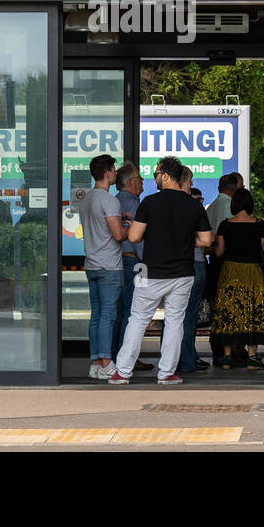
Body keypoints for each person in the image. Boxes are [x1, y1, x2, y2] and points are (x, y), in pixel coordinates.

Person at [111, 156, 212, 385]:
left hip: (150, 270)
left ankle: (123, 372)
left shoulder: (149, 202)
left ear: (166, 175)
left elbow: (134, 236)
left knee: (137, 319)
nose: (154, 178)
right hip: (183, 273)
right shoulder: (193, 204)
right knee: (175, 321)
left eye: (156, 174)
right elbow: (206, 240)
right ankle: (166, 373)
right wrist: (185, 240)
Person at [211, 187, 264, 370]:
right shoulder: (259, 224)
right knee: (253, 310)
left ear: (234, 204)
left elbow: (219, 251)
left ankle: (227, 357)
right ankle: (252, 356)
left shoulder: (225, 224)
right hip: (252, 271)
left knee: (229, 311)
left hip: (230, 271)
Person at [81, 153, 125, 380]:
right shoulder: (110, 200)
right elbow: (118, 234)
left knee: (96, 315)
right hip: (109, 265)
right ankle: (107, 363)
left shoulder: (87, 199)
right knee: (109, 315)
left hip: (92, 264)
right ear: (107, 173)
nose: (116, 174)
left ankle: (96, 362)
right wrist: (130, 226)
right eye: (114, 171)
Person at [111, 161, 152, 371]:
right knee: (132, 311)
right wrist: (146, 262)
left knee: (120, 312)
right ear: (130, 182)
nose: (143, 181)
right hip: (132, 262)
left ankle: (117, 355)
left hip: (119, 261)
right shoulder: (133, 203)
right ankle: (128, 358)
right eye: (139, 177)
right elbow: (139, 238)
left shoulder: (116, 200)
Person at [205, 173, 240, 362]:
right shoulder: (229, 207)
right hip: (228, 262)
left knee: (217, 307)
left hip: (214, 262)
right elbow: (230, 239)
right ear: (233, 189)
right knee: (230, 307)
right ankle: (229, 350)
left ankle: (218, 348)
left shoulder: (212, 207)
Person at [179, 178, 210, 373]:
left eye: (201, 199)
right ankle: (187, 360)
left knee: (183, 316)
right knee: (187, 316)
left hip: (188, 263)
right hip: (194, 263)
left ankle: (187, 357)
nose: (199, 202)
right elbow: (207, 240)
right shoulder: (193, 212)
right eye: (195, 197)